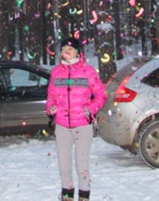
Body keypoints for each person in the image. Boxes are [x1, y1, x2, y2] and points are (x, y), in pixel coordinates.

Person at [46, 36, 108, 201]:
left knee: (82, 166)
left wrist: (90, 109)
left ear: (77, 52)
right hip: (62, 125)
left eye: (70, 49)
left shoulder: (88, 71)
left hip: (82, 125)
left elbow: (101, 95)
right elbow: (51, 95)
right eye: (64, 49)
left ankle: (84, 196)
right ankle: (67, 196)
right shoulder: (56, 72)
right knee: (64, 166)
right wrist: (51, 108)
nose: (66, 51)